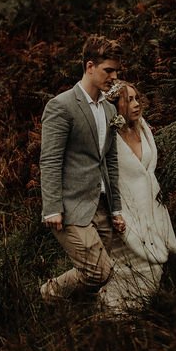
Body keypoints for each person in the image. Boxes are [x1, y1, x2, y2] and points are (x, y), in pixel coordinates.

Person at [38, 35, 127, 301]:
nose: (113, 77)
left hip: (100, 204)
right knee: (98, 273)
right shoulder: (61, 106)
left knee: (109, 270)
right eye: (108, 70)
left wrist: (116, 208)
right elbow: (50, 159)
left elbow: (109, 161)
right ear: (90, 67)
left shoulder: (110, 112)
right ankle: (48, 293)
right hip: (69, 205)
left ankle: (83, 316)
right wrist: (52, 207)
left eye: (116, 71)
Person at [99, 82, 176, 312]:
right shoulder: (108, 136)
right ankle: (113, 315)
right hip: (124, 211)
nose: (136, 105)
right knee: (131, 268)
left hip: (152, 209)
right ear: (115, 106)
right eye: (129, 100)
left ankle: (138, 315)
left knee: (155, 267)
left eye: (136, 98)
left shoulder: (143, 127)